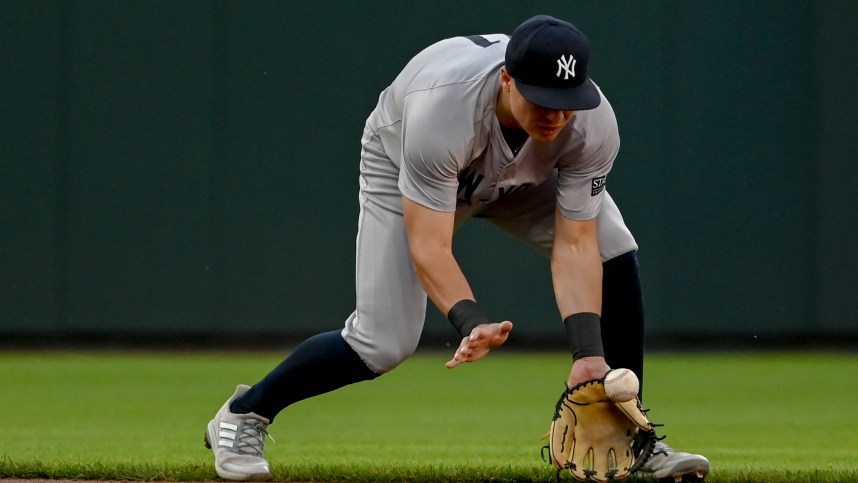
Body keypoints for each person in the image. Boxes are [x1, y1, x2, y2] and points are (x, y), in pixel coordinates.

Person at [204, 14, 709, 482]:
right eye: (540, 98)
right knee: (382, 342)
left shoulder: (592, 123)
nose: (556, 114)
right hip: (402, 162)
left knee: (612, 248)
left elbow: (577, 245)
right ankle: (245, 413)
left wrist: (588, 354)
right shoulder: (442, 111)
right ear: (508, 79)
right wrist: (468, 318)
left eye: (567, 100)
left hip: (525, 182)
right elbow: (429, 244)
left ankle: (629, 438)